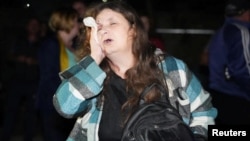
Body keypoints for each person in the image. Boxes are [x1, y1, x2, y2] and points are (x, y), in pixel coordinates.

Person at [53, 1, 217, 141]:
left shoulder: (170, 67)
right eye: (99, 26)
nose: (103, 30)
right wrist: (95, 57)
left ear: (133, 30)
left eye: (112, 23)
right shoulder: (92, 76)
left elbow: (204, 111)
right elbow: (65, 106)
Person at [36, 7, 80, 141]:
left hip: (71, 106)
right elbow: (49, 77)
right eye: (76, 21)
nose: (79, 24)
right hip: (54, 106)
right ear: (68, 22)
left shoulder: (74, 47)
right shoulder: (51, 44)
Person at [207, 0, 250, 125]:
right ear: (246, 13)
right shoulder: (240, 31)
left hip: (220, 95)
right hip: (236, 97)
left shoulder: (222, 31)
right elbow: (243, 69)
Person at [1, 16, 41, 141]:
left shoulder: (42, 43)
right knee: (11, 111)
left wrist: (34, 62)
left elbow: (45, 61)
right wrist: (20, 58)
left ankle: (28, 137)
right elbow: (8, 56)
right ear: (27, 26)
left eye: (36, 24)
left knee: (31, 113)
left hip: (33, 82)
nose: (34, 27)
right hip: (17, 81)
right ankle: (5, 136)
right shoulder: (18, 40)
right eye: (31, 24)